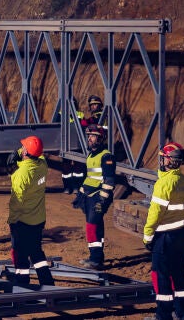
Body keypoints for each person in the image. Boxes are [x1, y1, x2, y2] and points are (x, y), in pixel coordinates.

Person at [143, 142, 184, 320]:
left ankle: (163, 316)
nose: (162, 160)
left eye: (163, 157)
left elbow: (155, 214)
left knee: (162, 278)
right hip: (181, 235)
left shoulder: (164, 184)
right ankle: (183, 314)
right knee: (180, 276)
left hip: (164, 238)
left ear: (169, 160)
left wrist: (147, 236)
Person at [6, 136, 55, 287]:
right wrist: (21, 152)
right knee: (36, 251)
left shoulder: (21, 174)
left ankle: (22, 284)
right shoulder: (42, 165)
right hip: (38, 219)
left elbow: (17, 201)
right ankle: (47, 282)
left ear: (26, 151)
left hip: (22, 220)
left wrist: (12, 220)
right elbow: (36, 155)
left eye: (23, 147)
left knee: (20, 255)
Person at [72, 124, 116, 269]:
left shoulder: (106, 156)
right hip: (89, 196)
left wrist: (102, 200)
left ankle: (95, 260)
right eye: (88, 136)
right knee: (96, 227)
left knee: (92, 227)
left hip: (99, 197)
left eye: (92, 136)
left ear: (100, 138)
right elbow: (91, 177)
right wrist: (81, 192)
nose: (89, 139)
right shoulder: (91, 155)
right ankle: (95, 257)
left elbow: (109, 181)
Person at [53, 98, 86, 194]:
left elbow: (84, 127)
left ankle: (77, 186)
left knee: (78, 168)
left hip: (77, 144)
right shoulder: (60, 114)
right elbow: (55, 127)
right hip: (65, 144)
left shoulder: (80, 114)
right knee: (66, 168)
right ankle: (67, 187)